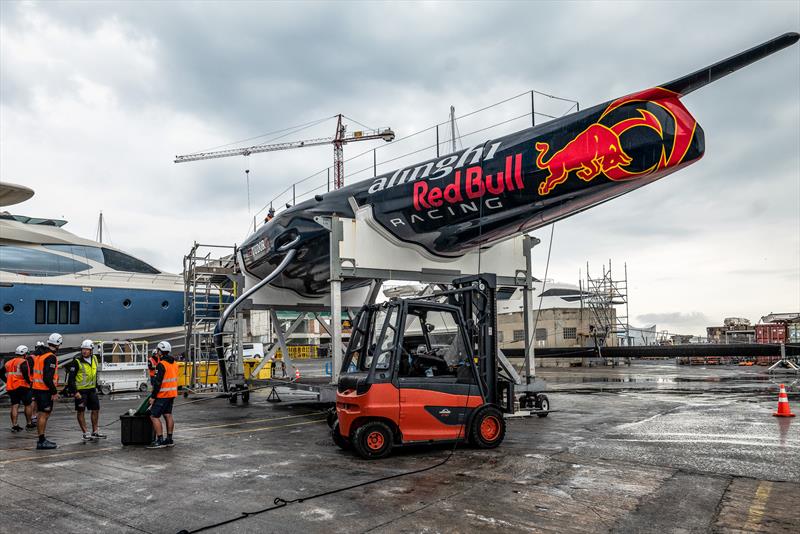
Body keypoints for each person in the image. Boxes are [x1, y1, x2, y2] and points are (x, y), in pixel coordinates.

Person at [65, 340, 107, 441]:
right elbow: (71, 379)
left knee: (96, 410)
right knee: (81, 412)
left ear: (91, 350)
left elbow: (95, 373)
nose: (84, 351)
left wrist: (97, 386)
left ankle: (95, 431)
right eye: (83, 349)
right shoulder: (77, 362)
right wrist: (75, 392)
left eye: (87, 350)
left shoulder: (95, 359)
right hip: (81, 392)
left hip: (92, 390)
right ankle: (85, 433)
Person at [31, 333, 62, 449]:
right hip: (44, 390)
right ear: (58, 344)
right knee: (43, 414)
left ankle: (41, 439)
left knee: (41, 414)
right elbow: (47, 377)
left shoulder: (40, 355)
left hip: (38, 389)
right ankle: (41, 441)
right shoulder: (51, 357)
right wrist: (54, 392)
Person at [147, 341, 177, 449]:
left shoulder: (161, 364)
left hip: (162, 394)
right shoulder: (174, 363)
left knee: (153, 416)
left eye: (158, 351)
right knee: (168, 415)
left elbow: (157, 383)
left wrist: (153, 397)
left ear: (160, 351)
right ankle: (169, 439)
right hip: (172, 394)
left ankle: (159, 440)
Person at [1, 346, 34, 432]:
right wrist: (30, 383)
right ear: (24, 354)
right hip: (23, 386)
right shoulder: (24, 362)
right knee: (28, 404)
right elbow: (26, 374)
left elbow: (0, 373)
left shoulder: (8, 363)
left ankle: (15, 425)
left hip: (12, 387)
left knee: (14, 405)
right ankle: (29, 423)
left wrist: (7, 381)